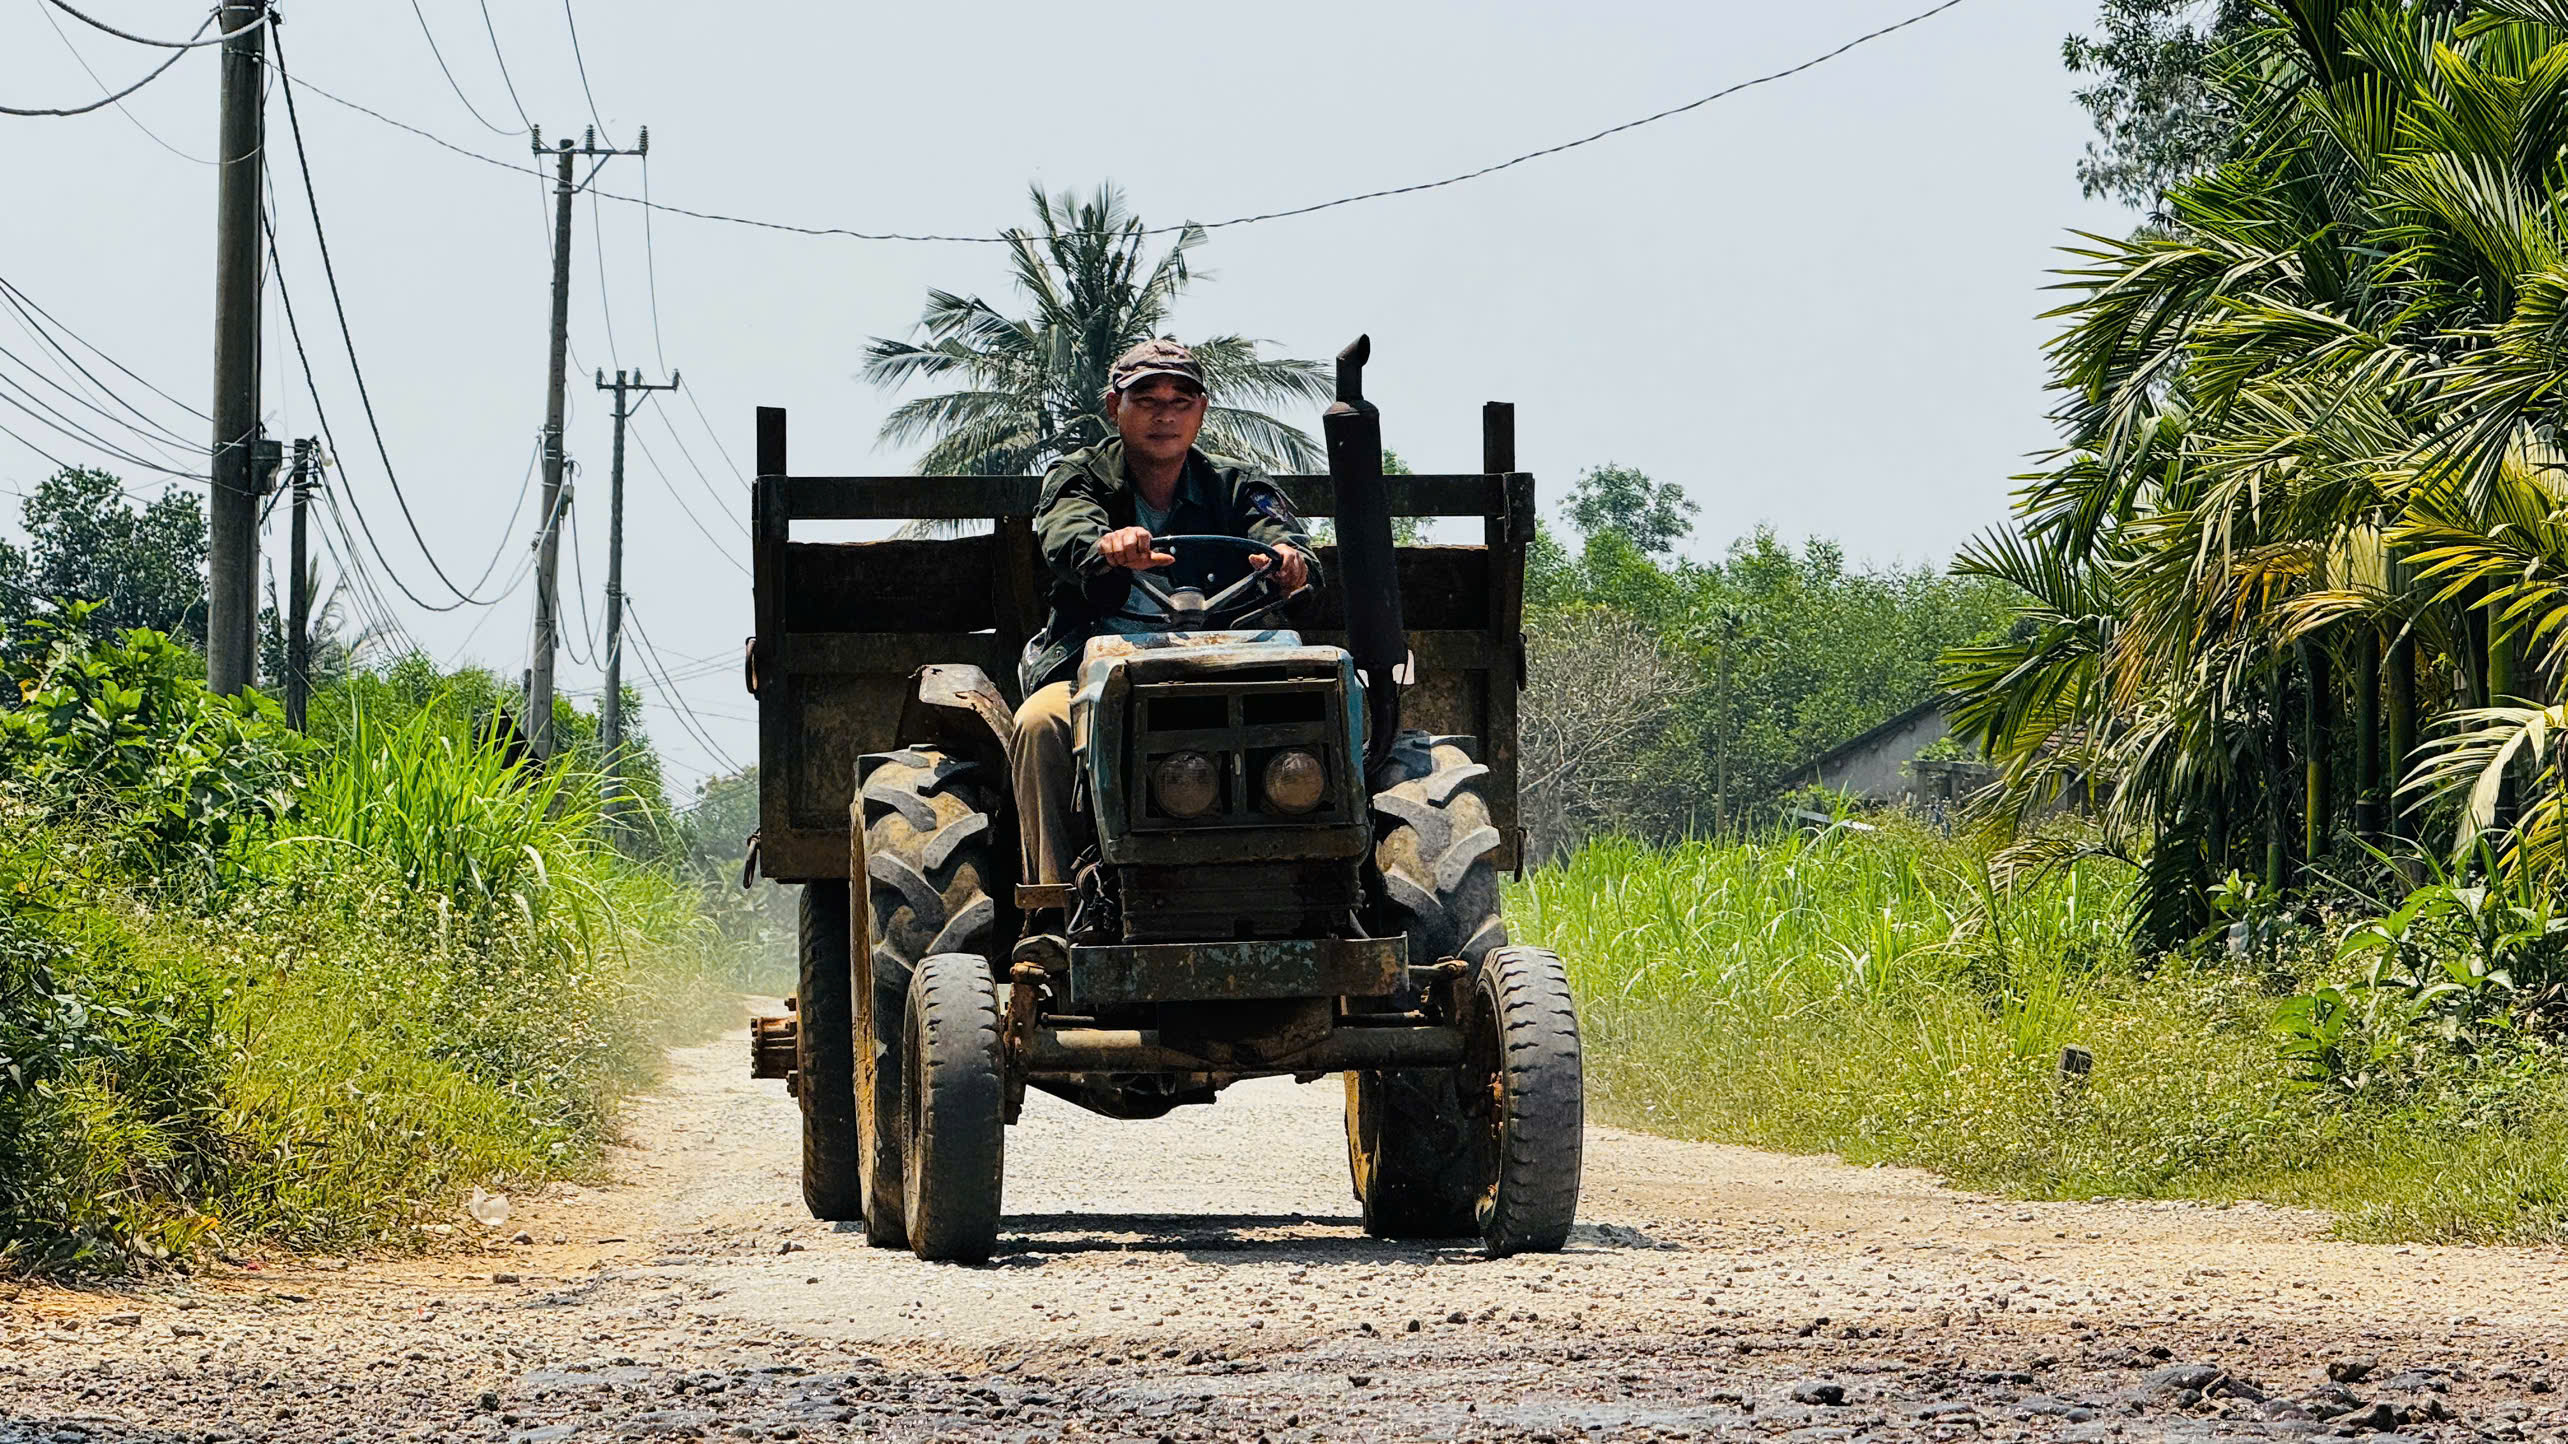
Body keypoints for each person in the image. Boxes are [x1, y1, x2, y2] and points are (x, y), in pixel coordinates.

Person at [1011, 339, 1320, 889]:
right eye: (1147, 398)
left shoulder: (1237, 484)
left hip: (1226, 669)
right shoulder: (1079, 477)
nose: (1165, 414)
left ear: (1201, 411)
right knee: (1040, 725)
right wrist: (1104, 547)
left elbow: (1286, 539)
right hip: (1098, 668)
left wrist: (1290, 563)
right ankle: (1052, 908)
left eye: (1182, 400)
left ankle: (1325, 887)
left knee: (1337, 713)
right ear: (1115, 407)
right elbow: (1066, 533)